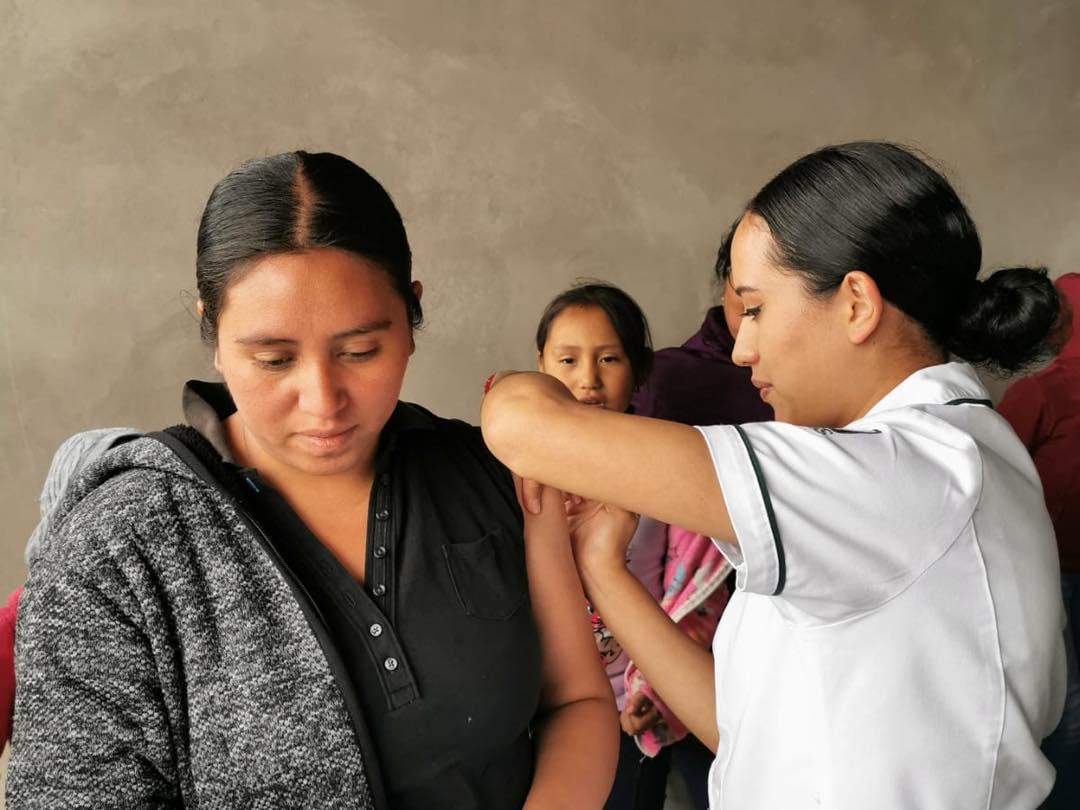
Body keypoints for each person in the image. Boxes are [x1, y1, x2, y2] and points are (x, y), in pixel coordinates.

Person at [7, 151, 617, 809]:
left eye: (360, 352)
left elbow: (577, 700)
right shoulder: (119, 550)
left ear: (412, 317)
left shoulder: (497, 479)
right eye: (273, 360)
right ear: (211, 331)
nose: (323, 401)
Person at [481, 141, 1067, 809]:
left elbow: (520, 427)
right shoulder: (959, 452)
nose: (741, 347)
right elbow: (744, 732)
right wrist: (604, 566)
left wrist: (512, 389)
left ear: (855, 304)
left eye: (755, 308)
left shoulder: (899, 475)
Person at [534, 282, 728, 810]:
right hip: (547, 705)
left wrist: (653, 692)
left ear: (639, 371)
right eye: (568, 360)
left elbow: (695, 595)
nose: (587, 379)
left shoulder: (659, 471)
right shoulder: (525, 473)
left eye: (609, 359)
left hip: (637, 699)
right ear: (541, 367)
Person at [999, 272, 1080, 809]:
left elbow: (991, 471)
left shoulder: (1039, 391)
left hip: (1053, 569)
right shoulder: (1043, 388)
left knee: (1063, 704)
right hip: (1059, 567)